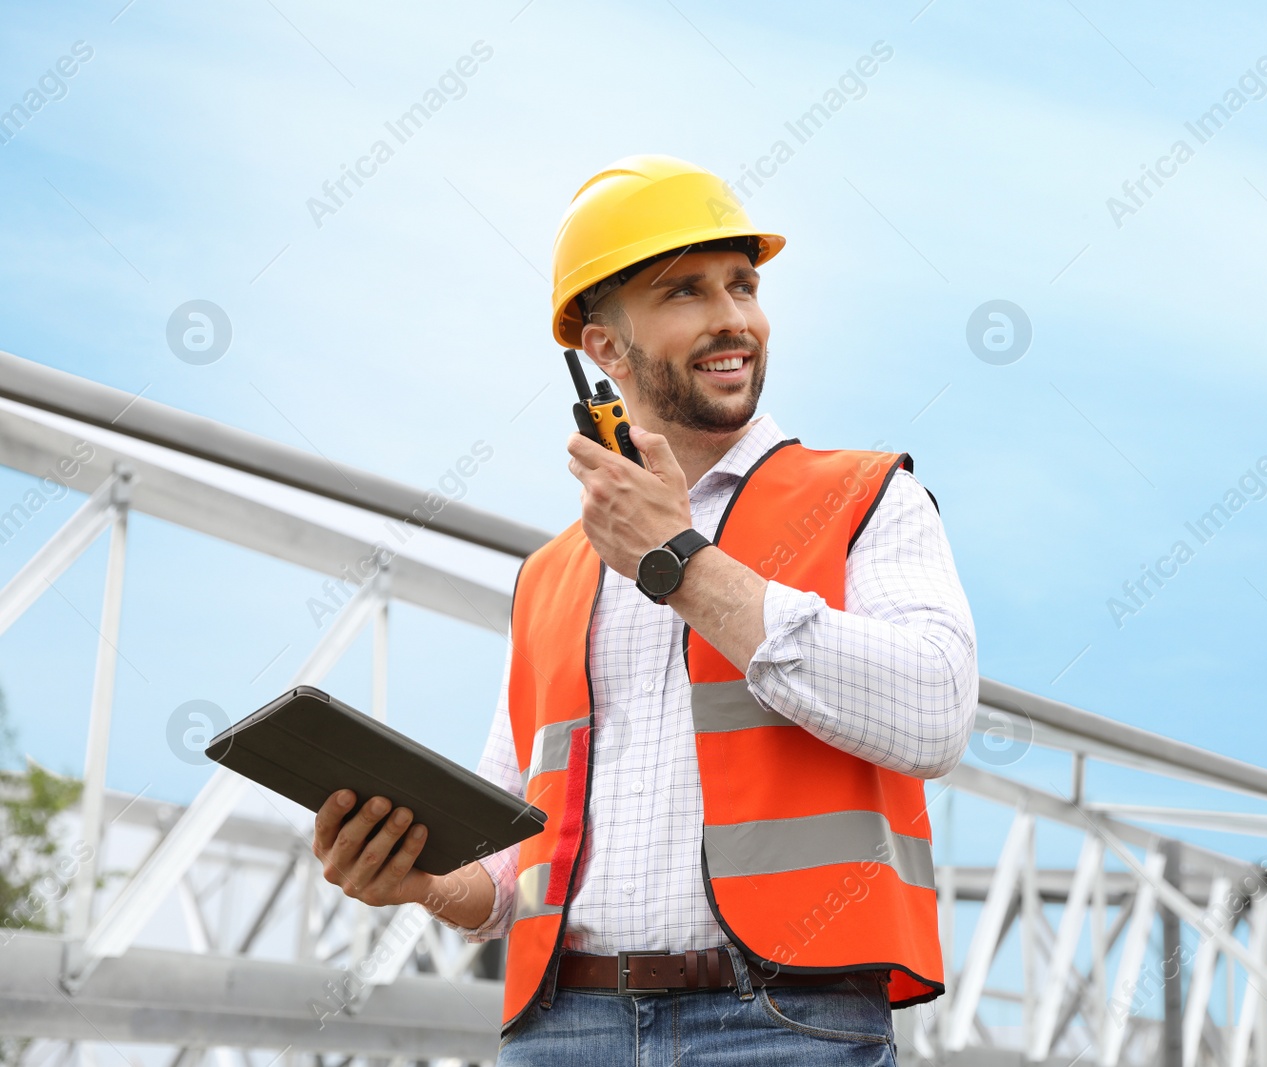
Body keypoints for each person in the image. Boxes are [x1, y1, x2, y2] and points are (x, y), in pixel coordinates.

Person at [311, 154, 979, 1064]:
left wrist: (683, 565)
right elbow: (510, 867)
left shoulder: (867, 498)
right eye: (685, 294)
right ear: (604, 349)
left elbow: (936, 715)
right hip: (565, 1027)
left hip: (784, 1027)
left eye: (743, 285)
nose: (732, 317)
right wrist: (424, 879)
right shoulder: (550, 575)